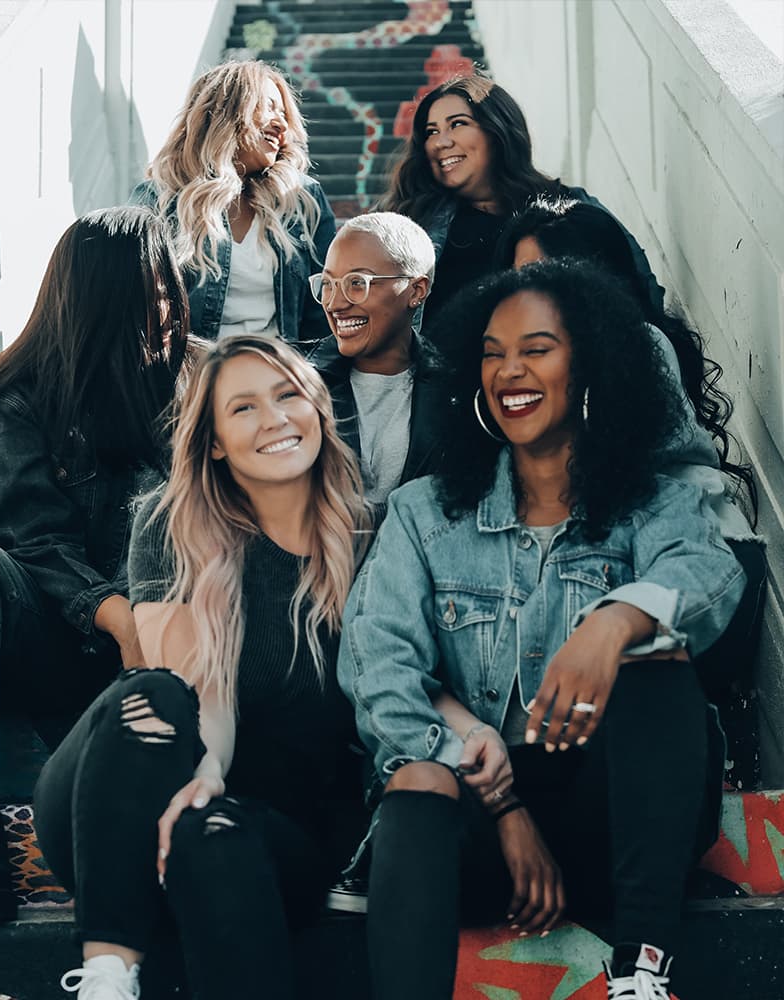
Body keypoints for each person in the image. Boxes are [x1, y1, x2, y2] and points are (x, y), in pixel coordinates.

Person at [337, 261, 746, 1000]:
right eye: (492, 353)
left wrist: (616, 620)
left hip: (619, 821)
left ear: (590, 363)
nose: (510, 370)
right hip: (478, 823)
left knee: (658, 660)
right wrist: (503, 806)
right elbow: (377, 668)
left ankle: (641, 971)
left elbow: (710, 575)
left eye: (537, 348)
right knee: (416, 779)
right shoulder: (426, 514)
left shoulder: (649, 506)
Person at [32, 336, 370, 998]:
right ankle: (106, 974)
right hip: (127, 806)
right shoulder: (172, 524)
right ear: (213, 441)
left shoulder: (374, 538)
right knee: (151, 693)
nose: (273, 419)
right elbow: (195, 690)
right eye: (243, 408)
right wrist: (208, 769)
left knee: (210, 833)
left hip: (272, 834)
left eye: (287, 395)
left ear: (318, 409)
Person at [0, 206, 190, 922]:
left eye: (170, 287)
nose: (169, 307)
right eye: (151, 291)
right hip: (59, 642)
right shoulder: (14, 401)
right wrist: (120, 616)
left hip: (184, 635)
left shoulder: (194, 382)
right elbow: (32, 541)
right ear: (101, 300)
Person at [496, 196, 766, 735]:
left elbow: (597, 474)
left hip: (700, 564)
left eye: (541, 276)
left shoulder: (636, 343)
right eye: (516, 279)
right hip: (626, 568)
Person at [380, 74, 663, 329]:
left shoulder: (572, 208)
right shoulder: (411, 223)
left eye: (457, 124)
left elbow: (637, 288)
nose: (441, 142)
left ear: (497, 129)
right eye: (431, 132)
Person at [131, 60, 335, 344]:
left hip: (278, 375)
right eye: (269, 107)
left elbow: (323, 314)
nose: (282, 124)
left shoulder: (301, 200)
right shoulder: (159, 199)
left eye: (284, 113)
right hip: (194, 379)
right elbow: (137, 309)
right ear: (226, 112)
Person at [308, 212, 440, 509]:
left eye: (357, 283)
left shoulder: (455, 391)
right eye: (328, 284)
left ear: (416, 291)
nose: (335, 304)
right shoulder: (296, 380)